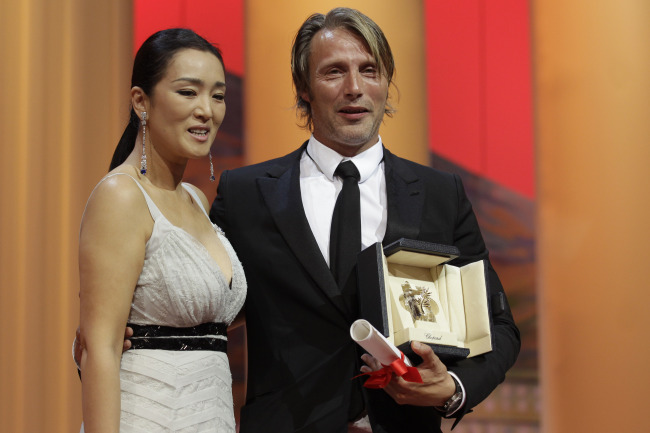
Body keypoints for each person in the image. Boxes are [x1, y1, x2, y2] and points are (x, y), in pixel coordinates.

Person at [208, 7, 520, 433]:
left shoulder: (439, 193)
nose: (354, 88)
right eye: (334, 72)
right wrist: (129, 337)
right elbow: (207, 311)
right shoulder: (245, 194)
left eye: (369, 70)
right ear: (303, 87)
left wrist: (452, 388)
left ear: (386, 82)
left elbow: (497, 325)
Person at [77, 28, 246, 433]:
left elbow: (204, 313)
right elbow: (99, 349)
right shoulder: (121, 196)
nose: (206, 109)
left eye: (218, 95)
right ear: (141, 101)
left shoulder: (196, 200)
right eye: (188, 92)